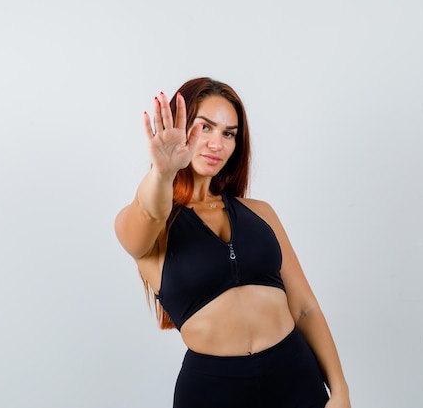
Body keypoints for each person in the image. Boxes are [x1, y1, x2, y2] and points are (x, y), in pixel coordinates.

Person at [114, 77, 350, 408]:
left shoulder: (261, 213)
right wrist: (162, 173)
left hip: (295, 377)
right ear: (180, 129)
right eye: (204, 128)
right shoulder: (148, 229)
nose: (217, 143)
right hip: (213, 392)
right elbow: (150, 212)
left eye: (229, 133)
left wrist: (340, 390)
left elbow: (305, 307)